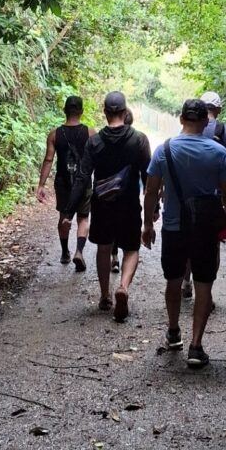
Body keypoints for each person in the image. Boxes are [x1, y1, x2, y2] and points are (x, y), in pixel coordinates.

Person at [142, 98, 226, 370]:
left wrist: (147, 224)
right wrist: (225, 214)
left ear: (181, 119)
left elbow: (150, 192)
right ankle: (196, 346)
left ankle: (173, 332)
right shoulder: (219, 153)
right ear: (206, 122)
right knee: (204, 284)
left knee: (173, 280)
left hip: (173, 226)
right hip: (206, 229)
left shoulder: (164, 150)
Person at [67, 91, 151, 321]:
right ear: (124, 113)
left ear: (105, 113)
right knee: (131, 248)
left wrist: (69, 210)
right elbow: (148, 176)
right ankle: (123, 286)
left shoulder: (94, 142)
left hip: (102, 204)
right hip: (129, 203)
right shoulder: (139, 139)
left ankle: (105, 295)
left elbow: (83, 177)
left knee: (104, 248)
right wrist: (153, 207)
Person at [180, 90, 226, 300]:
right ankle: (207, 292)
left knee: (188, 241)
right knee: (212, 245)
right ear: (219, 109)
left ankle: (186, 283)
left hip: (187, 196)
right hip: (216, 199)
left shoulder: (188, 128)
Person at [35, 94, 93, 270]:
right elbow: (96, 158)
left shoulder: (55, 134)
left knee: (63, 216)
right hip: (83, 182)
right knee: (83, 218)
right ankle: (79, 252)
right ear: (81, 111)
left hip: (63, 182)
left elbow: (48, 159)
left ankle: (64, 252)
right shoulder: (90, 133)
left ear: (64, 111)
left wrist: (41, 185)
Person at [111, 108, 135, 274]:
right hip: (129, 194)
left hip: (109, 193)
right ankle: (124, 285)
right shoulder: (137, 140)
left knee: (112, 227)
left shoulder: (104, 138)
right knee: (129, 238)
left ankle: (114, 257)